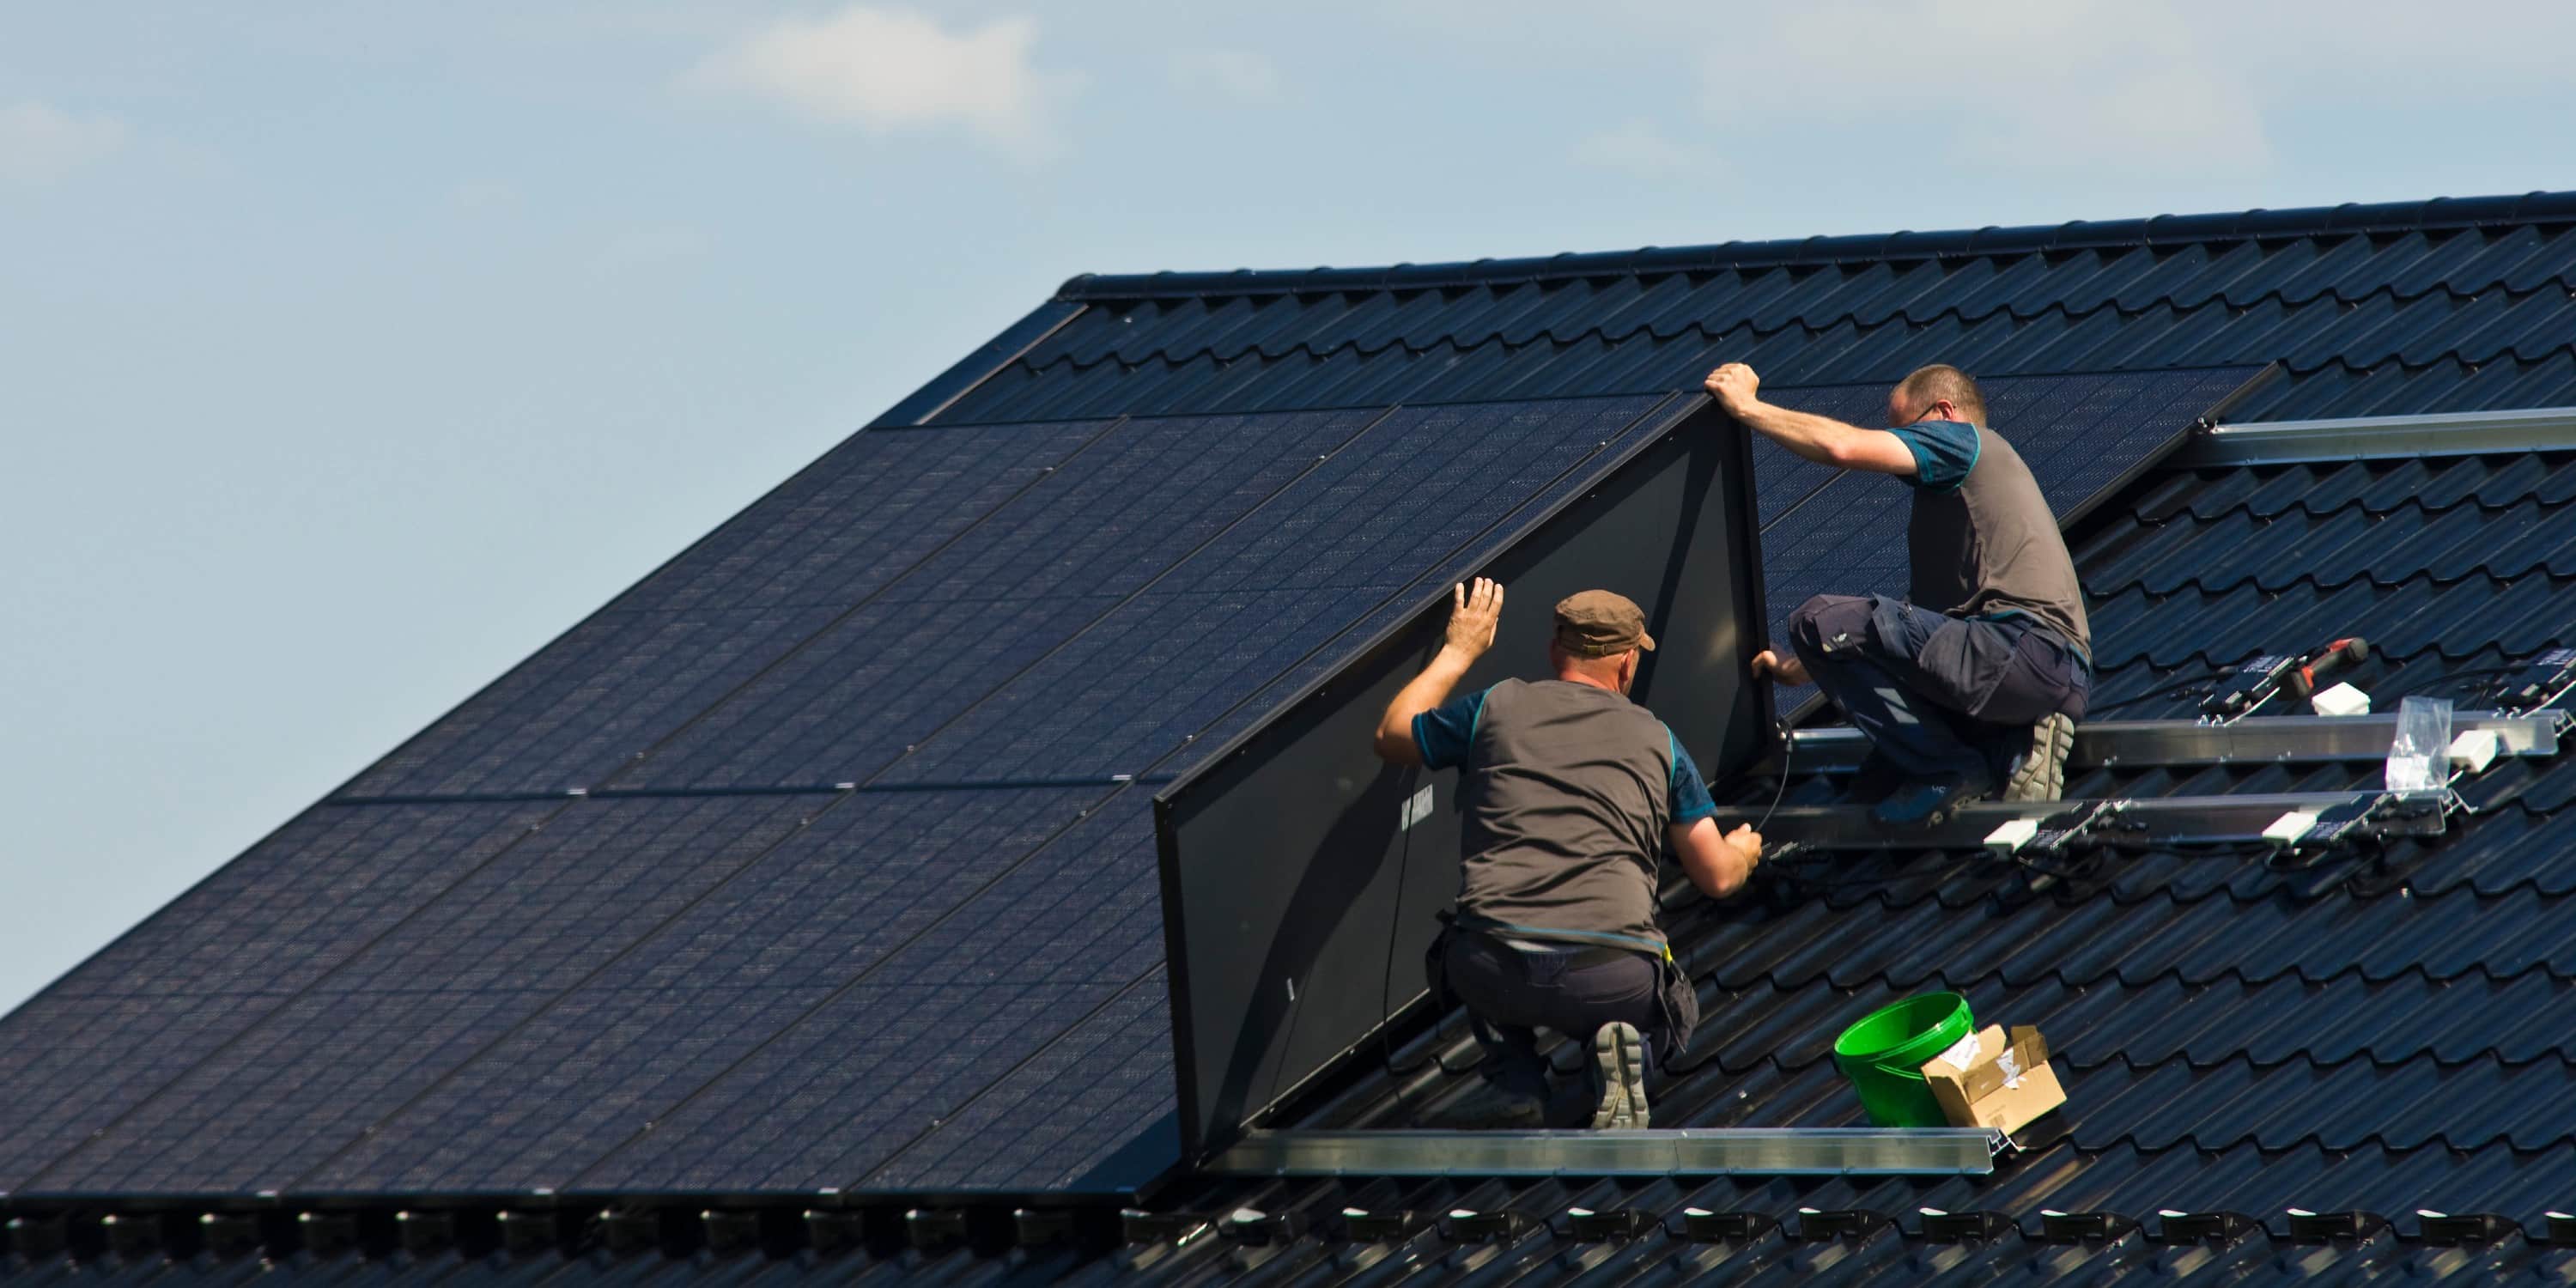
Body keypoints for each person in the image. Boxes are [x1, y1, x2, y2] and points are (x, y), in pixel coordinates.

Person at [1372, 579, 1762, 1129]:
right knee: (1667, 1001)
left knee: (1463, 938)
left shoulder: (1495, 707)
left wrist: (1459, 650)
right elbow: (1717, 877)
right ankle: (1626, 1059)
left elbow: (1392, 734)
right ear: (1628, 664)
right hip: (1610, 977)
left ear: (1556, 651)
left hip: (1492, 967)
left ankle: (1517, 1080)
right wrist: (1744, 852)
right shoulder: (1659, 741)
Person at [1705, 361, 2091, 826]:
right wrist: (1805, 665)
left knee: (1818, 620)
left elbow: (1841, 445)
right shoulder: (1965, 514)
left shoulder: (1967, 442)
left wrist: (1747, 407)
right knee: (1873, 793)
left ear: (1944, 412)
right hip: (2038, 672)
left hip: (2021, 652)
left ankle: (1950, 768)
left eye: (1906, 430)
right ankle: (2013, 741)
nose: (1902, 443)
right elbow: (1909, 634)